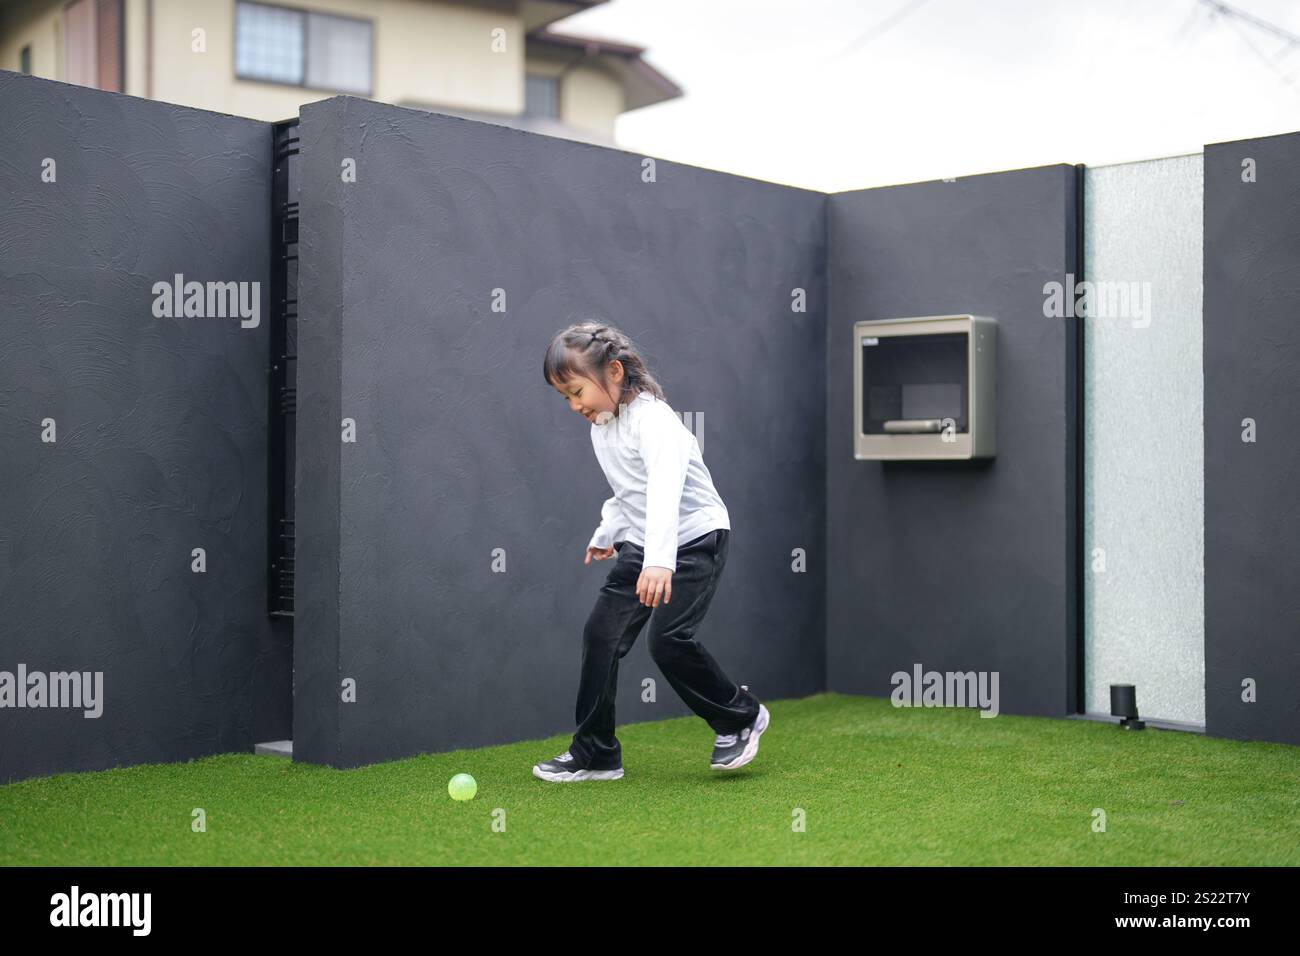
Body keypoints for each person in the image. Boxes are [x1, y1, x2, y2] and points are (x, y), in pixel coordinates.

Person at [533, 321, 769, 782]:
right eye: (566, 397)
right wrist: (607, 532)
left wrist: (660, 560)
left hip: (697, 538)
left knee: (667, 640)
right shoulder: (603, 427)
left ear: (614, 372)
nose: (575, 405)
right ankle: (596, 752)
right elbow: (630, 491)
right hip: (647, 542)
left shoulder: (655, 422)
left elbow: (665, 488)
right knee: (601, 635)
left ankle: (740, 716)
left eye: (578, 391)